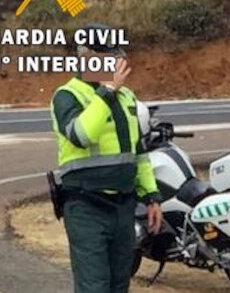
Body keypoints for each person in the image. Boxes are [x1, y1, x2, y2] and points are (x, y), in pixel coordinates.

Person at [50, 23, 163, 293]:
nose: (115, 61)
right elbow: (81, 134)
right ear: (85, 56)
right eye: (107, 56)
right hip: (86, 207)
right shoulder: (67, 96)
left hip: (122, 208)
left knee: (118, 286)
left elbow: (138, 152)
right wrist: (106, 93)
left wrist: (151, 197)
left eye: (116, 55)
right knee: (95, 287)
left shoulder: (127, 97)